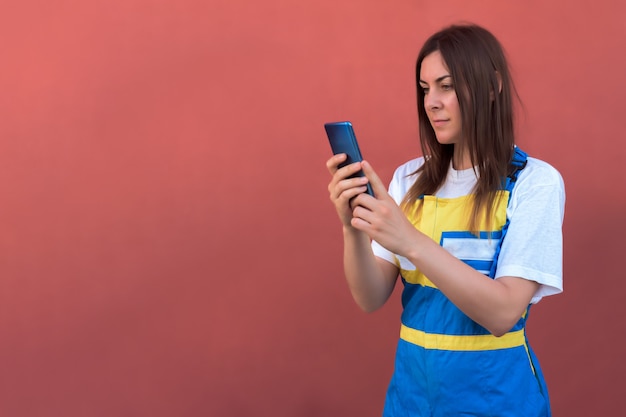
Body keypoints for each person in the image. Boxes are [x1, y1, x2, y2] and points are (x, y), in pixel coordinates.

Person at [325, 24, 565, 417]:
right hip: (411, 401)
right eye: (424, 89)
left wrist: (410, 241)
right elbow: (369, 298)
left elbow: (503, 313)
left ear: (492, 87)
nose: (431, 102)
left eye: (446, 86)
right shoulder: (409, 180)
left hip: (498, 402)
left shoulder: (535, 183)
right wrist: (352, 229)